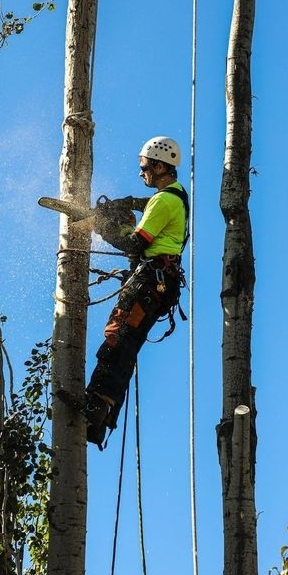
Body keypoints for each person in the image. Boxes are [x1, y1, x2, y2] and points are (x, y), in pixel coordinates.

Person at [60, 136, 188, 450]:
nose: (142, 172)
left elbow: (135, 243)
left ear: (159, 165)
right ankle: (101, 421)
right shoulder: (175, 197)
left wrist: (103, 226)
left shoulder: (164, 201)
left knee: (117, 343)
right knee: (125, 349)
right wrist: (121, 207)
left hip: (149, 283)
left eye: (145, 167)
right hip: (158, 285)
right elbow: (141, 209)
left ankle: (95, 408)